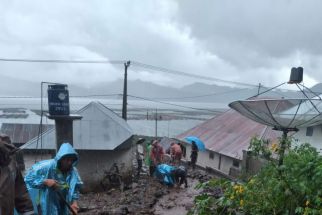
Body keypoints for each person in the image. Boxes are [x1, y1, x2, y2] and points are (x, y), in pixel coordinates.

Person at [25, 143, 83, 215]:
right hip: (46, 202)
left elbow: (75, 187)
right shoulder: (46, 166)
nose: (69, 163)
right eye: (67, 160)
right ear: (61, 158)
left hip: (63, 202)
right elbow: (28, 178)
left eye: (72, 160)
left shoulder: (73, 171)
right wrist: (45, 181)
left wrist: (74, 203)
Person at [0, 138, 35, 215]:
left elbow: (21, 193)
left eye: (9, 154)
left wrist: (28, 212)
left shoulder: (12, 165)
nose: (8, 158)